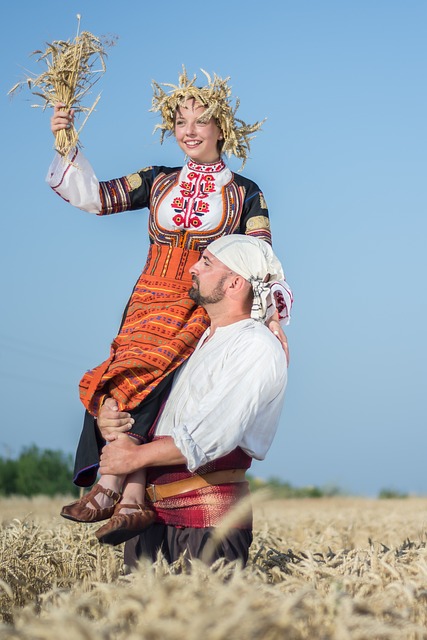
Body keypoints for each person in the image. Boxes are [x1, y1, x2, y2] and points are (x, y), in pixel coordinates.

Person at [47, 68, 292, 528]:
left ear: (222, 128)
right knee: (121, 376)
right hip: (147, 293)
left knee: (162, 387)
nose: (190, 131)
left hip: (197, 298)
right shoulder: (158, 180)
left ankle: (117, 489)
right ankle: (121, 490)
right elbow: (97, 198)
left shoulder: (244, 193)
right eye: (181, 122)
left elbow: (260, 255)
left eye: (201, 120)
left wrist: (271, 316)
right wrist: (65, 142)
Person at [95, 234, 288, 565]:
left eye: (207, 262)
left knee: (205, 617)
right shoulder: (196, 339)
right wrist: (108, 412)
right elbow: (149, 404)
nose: (193, 268)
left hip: (208, 527)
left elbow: (212, 435)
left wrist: (132, 458)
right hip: (149, 519)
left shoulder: (255, 346)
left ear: (235, 284)